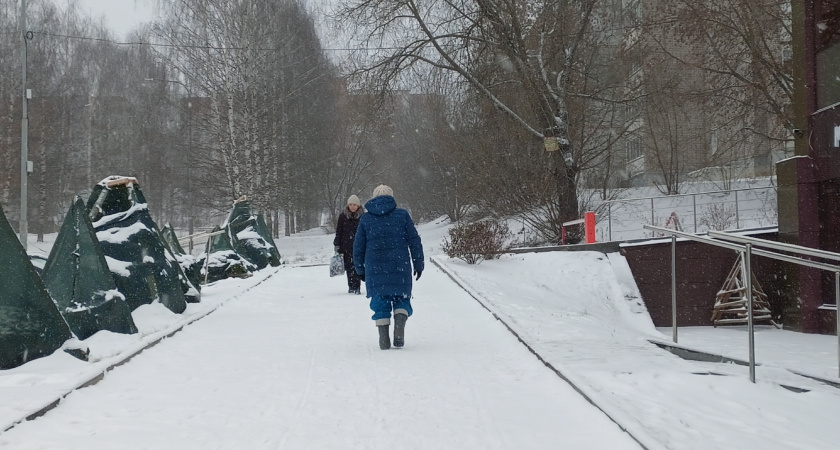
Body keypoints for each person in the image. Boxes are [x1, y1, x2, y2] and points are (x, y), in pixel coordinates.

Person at [353, 185, 424, 349]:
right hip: (400, 265)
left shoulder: (365, 219)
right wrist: (418, 263)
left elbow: (358, 247)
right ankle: (399, 323)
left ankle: (383, 337)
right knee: (401, 297)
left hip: (375, 267)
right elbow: (414, 241)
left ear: (373, 197)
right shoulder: (402, 215)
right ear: (391, 197)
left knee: (380, 300)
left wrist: (360, 269)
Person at [334, 195, 364, 294]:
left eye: (354, 204)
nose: (352, 207)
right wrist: (337, 245)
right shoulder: (343, 216)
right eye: (350, 204)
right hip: (345, 246)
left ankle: (357, 286)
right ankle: (351, 286)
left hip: (359, 246)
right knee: (348, 267)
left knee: (357, 266)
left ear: (358, 206)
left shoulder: (363, 217)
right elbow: (339, 231)